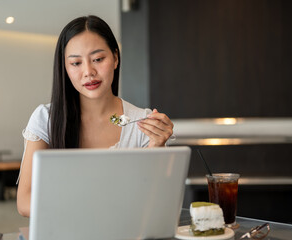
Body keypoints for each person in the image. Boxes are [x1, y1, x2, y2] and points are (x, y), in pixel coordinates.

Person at [16, 15, 174, 217]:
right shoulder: (46, 118)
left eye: (98, 59)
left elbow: (155, 204)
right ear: (65, 67)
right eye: (76, 63)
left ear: (115, 58)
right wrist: (94, 210)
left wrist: (156, 149)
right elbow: (24, 202)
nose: (88, 72)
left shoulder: (142, 123)